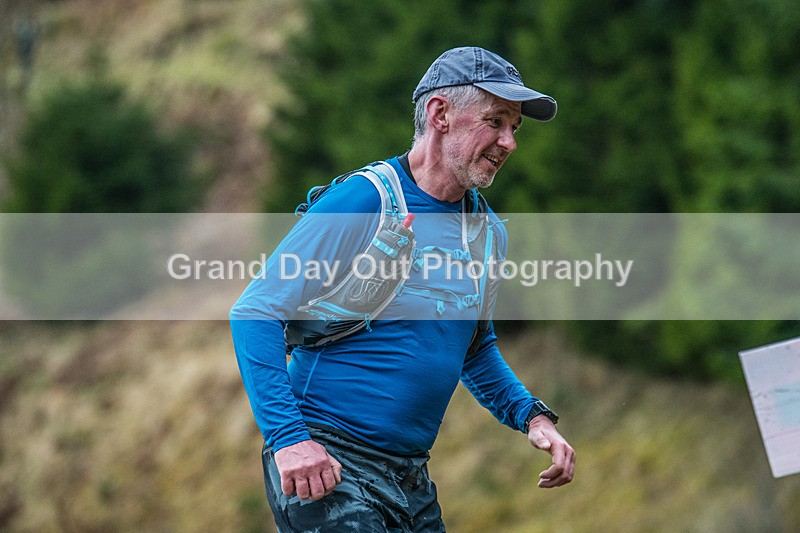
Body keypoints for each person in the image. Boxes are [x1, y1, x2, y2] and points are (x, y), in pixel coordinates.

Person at [230, 46, 575, 532]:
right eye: (496, 121)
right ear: (440, 114)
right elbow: (256, 311)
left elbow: (473, 349)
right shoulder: (364, 199)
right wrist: (289, 440)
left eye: (514, 128)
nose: (509, 142)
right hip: (329, 461)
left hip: (411, 478)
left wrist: (532, 417)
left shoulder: (487, 233)